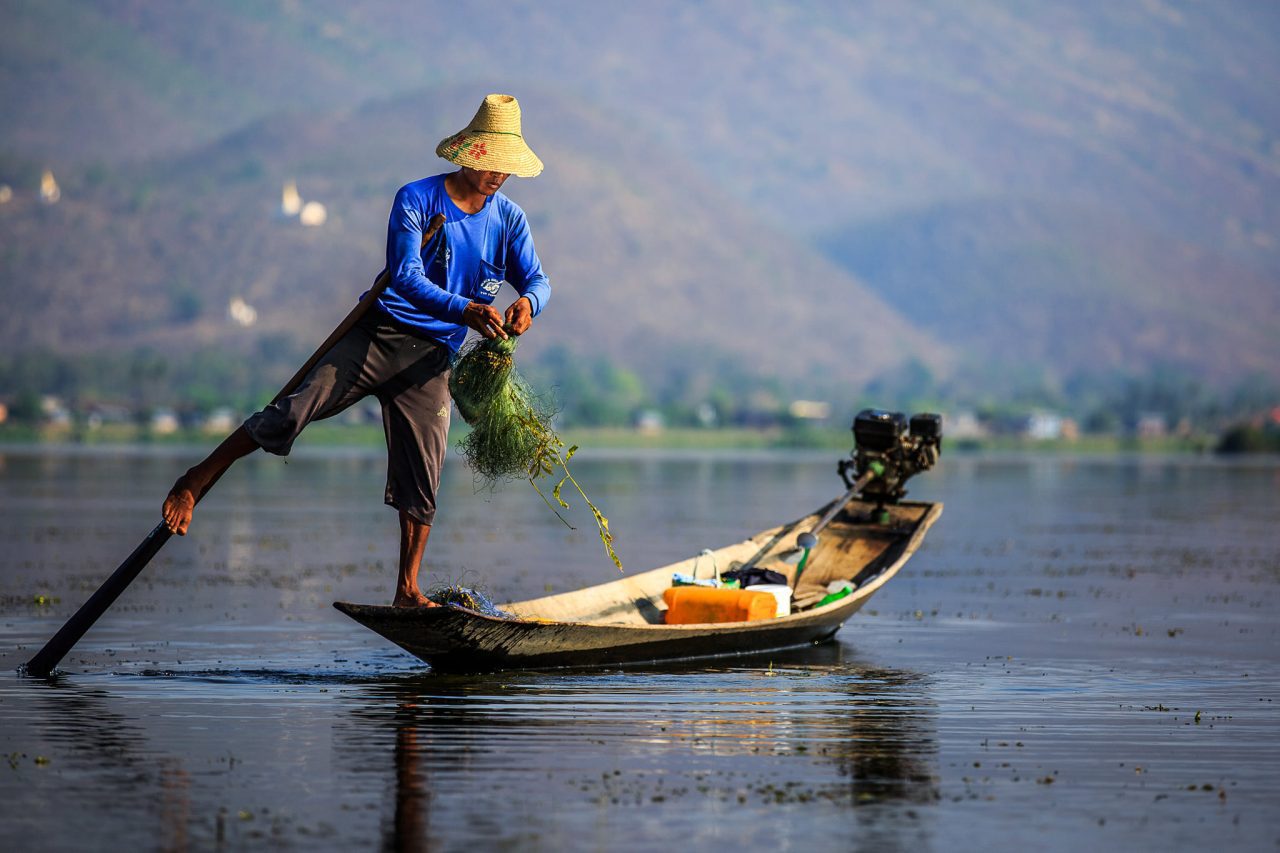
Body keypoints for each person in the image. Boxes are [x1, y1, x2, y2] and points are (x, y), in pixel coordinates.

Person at [161, 93, 551, 607]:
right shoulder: (417, 199)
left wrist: (527, 303)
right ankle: (196, 479)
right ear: (469, 154)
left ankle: (407, 590)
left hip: (432, 359)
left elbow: (538, 281)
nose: (499, 175)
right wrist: (465, 309)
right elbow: (407, 277)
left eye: (507, 167)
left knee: (424, 472)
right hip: (380, 334)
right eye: (491, 163)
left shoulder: (509, 220)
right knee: (290, 412)